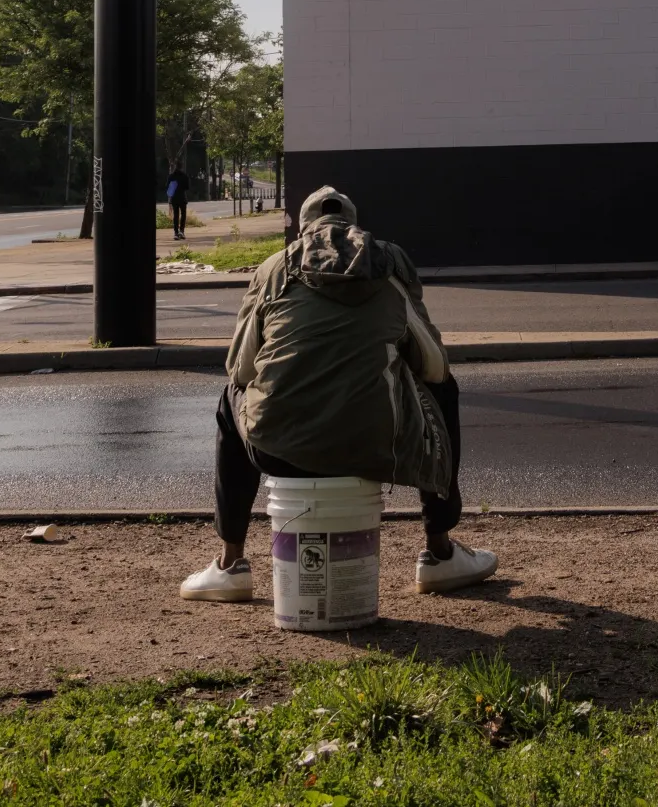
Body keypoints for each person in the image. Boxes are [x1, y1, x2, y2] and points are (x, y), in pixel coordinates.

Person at [180, 185, 497, 602]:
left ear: (302, 228)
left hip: (277, 449)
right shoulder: (389, 264)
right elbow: (435, 365)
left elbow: (238, 369)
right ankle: (440, 553)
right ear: (355, 225)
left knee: (230, 400)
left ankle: (230, 565)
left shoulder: (274, 269)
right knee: (442, 390)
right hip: (379, 445)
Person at [166, 162, 190, 241]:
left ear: (174, 167)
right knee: (183, 215)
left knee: (176, 215)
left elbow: (168, 187)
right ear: (181, 167)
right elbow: (187, 187)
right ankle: (182, 231)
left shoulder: (171, 176)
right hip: (182, 198)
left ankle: (176, 233)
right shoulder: (184, 176)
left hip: (174, 198)